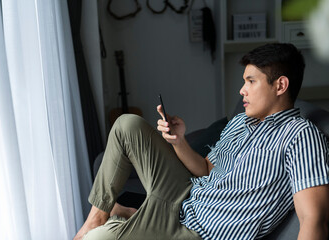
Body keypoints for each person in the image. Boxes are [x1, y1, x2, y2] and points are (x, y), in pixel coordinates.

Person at [74, 43, 329, 240]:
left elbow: (313, 218)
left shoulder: (301, 136)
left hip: (200, 233)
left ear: (280, 85)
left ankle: (129, 217)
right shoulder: (241, 122)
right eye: (244, 81)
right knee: (127, 124)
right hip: (185, 199)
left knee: (98, 239)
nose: (242, 90)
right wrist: (179, 141)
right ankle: (99, 216)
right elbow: (207, 168)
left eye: (251, 81)